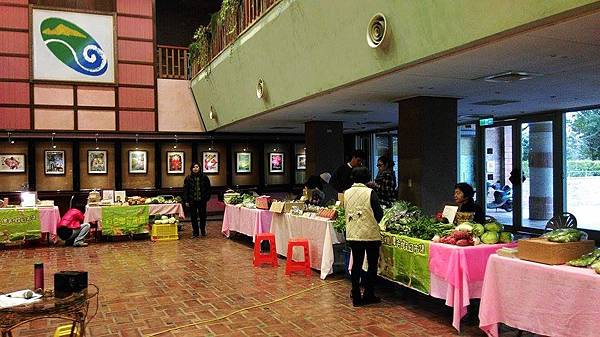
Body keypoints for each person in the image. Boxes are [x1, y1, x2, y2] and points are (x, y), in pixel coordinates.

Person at [345, 167, 384, 307]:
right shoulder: (370, 192)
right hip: (370, 234)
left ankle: (356, 295)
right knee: (372, 265)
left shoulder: (347, 193)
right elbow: (379, 213)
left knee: (356, 264)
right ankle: (368, 294)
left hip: (353, 233)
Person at [183, 162, 212, 238]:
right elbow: (185, 190)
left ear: (199, 168)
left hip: (202, 200)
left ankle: (203, 230)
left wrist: (207, 198)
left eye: (197, 167)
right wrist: (186, 200)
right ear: (191, 169)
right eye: (194, 167)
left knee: (203, 216)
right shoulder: (188, 178)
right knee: (193, 217)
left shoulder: (205, 177)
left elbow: (208, 189)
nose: (195, 168)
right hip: (192, 200)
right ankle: (195, 232)